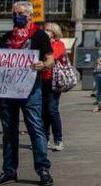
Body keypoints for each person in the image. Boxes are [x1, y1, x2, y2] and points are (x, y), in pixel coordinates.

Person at [0, 1, 55, 186]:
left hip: (31, 90)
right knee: (8, 132)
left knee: (35, 128)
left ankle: (43, 169)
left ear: (30, 16)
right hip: (8, 92)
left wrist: (43, 64)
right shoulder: (7, 37)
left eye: (20, 13)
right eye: (14, 13)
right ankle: (9, 171)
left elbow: (50, 60)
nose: (16, 16)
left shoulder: (40, 36)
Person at [41, 23, 66, 152]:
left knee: (52, 110)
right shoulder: (42, 43)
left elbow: (52, 57)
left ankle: (58, 140)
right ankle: (44, 139)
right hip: (41, 80)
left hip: (54, 81)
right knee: (43, 111)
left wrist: (47, 43)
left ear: (54, 33)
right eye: (45, 30)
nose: (46, 32)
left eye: (48, 30)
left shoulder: (59, 44)